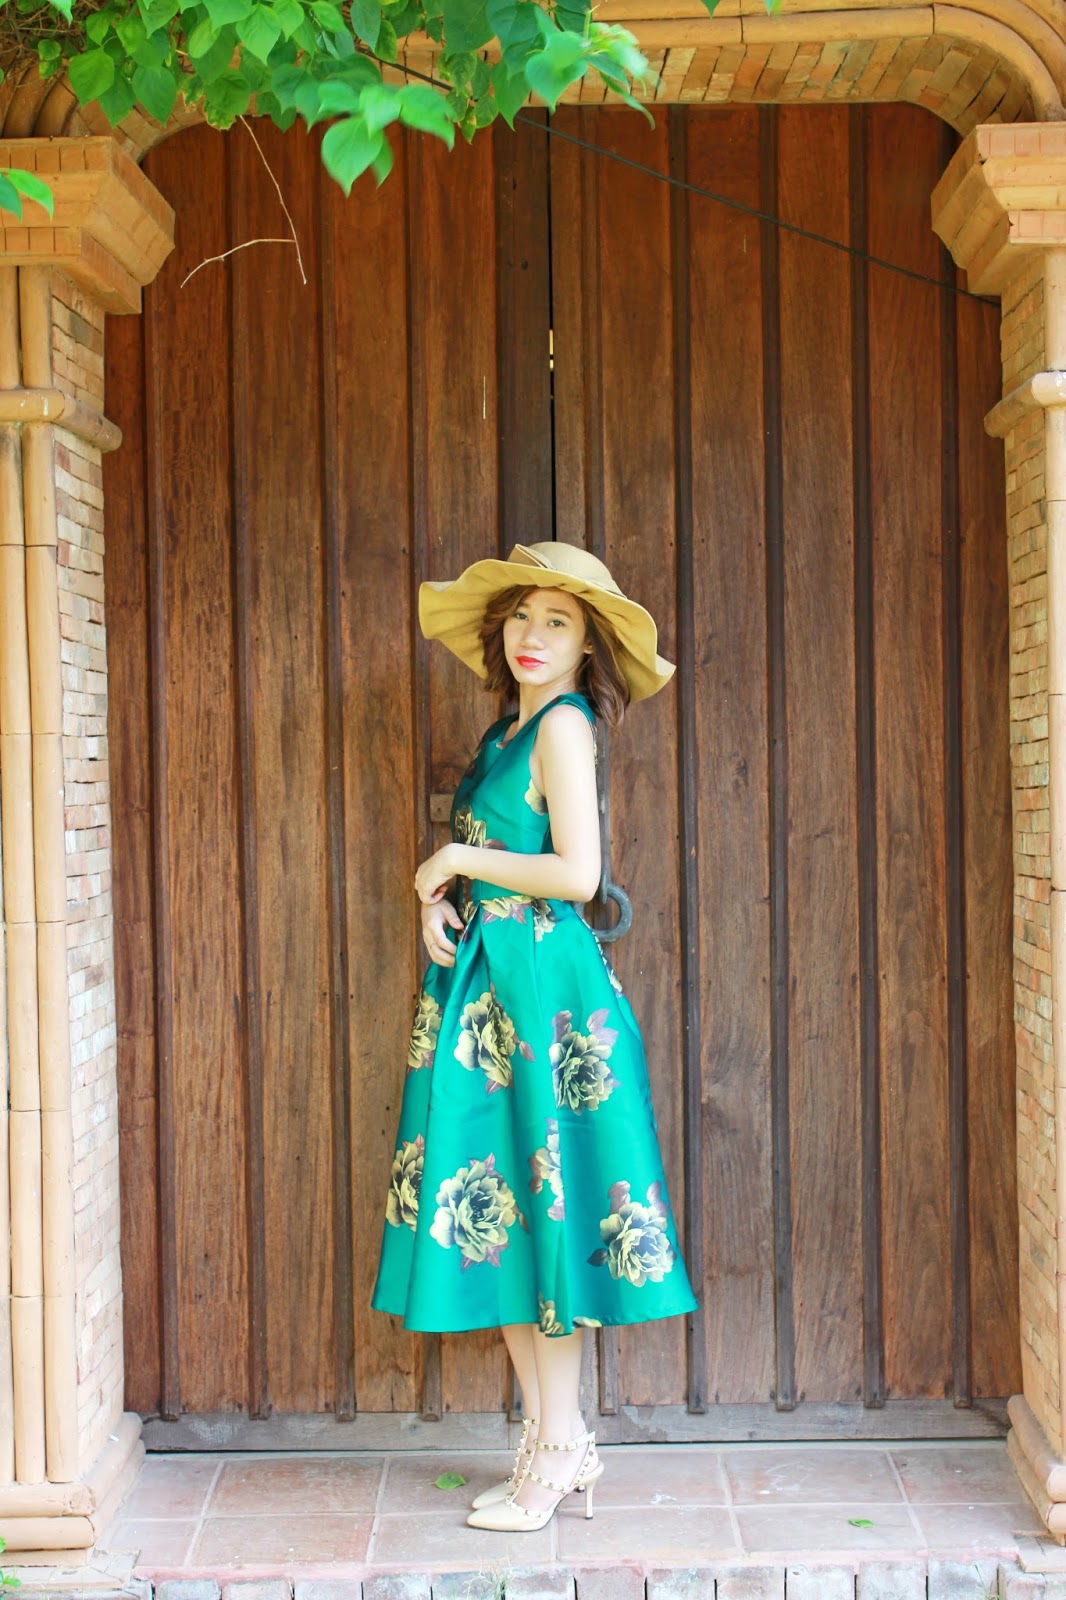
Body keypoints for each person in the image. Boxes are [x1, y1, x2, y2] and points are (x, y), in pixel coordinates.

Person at [370, 539, 698, 1531]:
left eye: (558, 621)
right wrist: (443, 900)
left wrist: (456, 857)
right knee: (510, 1219)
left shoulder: (561, 725)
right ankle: (559, 1441)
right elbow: (502, 861)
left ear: (586, 644)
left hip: (543, 995)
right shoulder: (507, 731)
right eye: (522, 614)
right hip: (490, 987)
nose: (533, 634)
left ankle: (557, 1449)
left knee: (543, 1211)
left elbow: (578, 875)